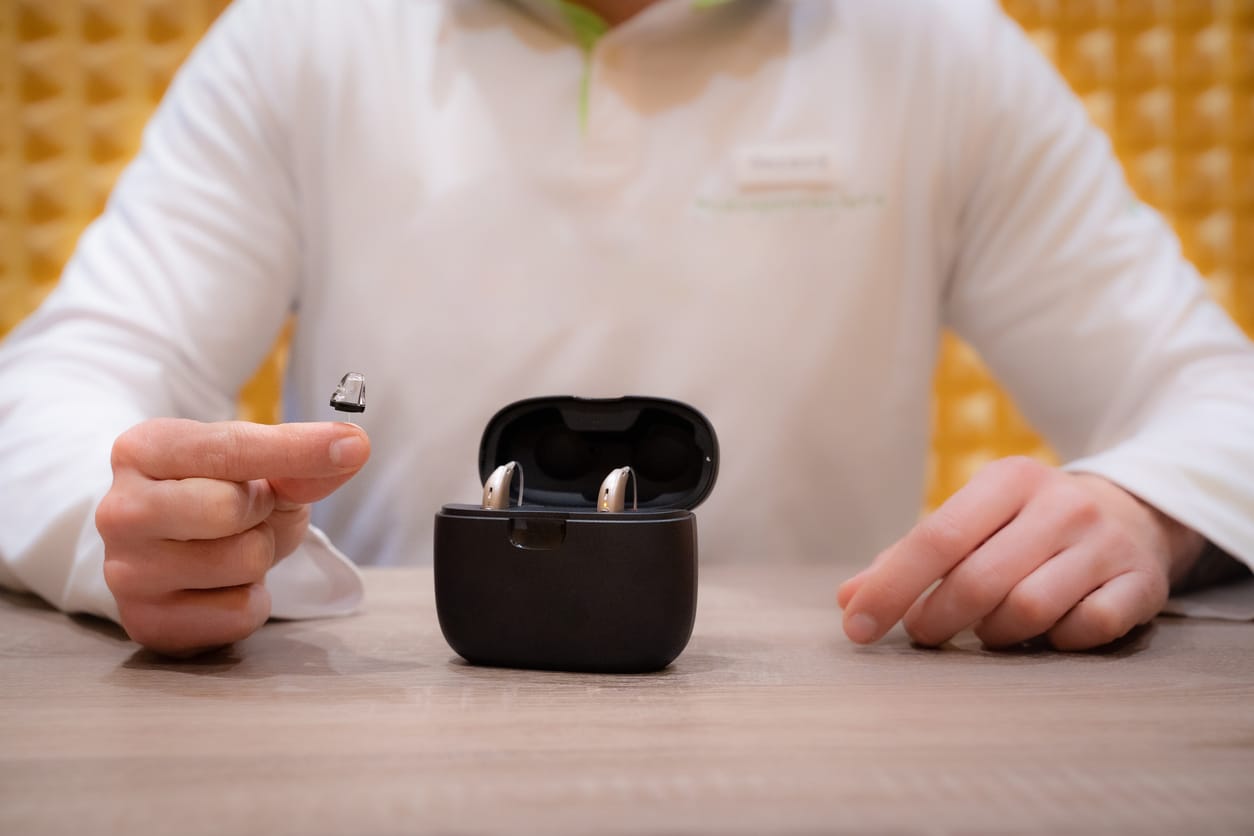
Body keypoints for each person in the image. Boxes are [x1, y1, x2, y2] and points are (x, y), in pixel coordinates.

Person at [0, 0, 1251, 658]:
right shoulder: (304, 32)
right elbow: (54, 387)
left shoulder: (939, 45)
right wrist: (117, 533)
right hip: (382, 725)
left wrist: (1147, 504)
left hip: (829, 741)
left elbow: (1213, 396)